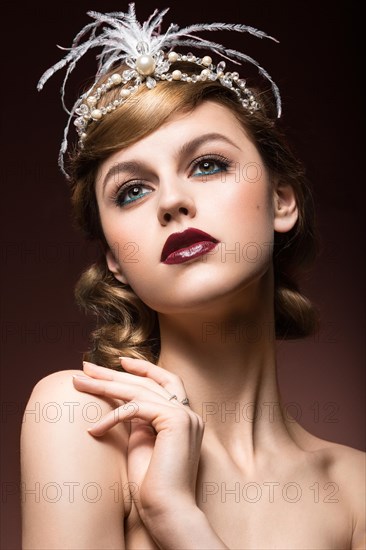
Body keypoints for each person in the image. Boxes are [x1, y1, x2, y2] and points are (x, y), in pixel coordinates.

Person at [21, 5, 365, 549]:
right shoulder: (84, 419)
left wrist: (177, 519)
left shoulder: (355, 493)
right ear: (115, 257)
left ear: (281, 201)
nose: (173, 202)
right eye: (132, 190)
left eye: (207, 164)